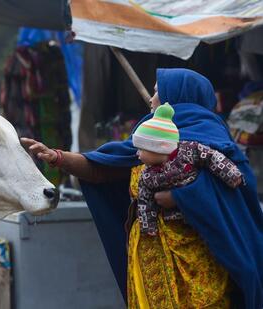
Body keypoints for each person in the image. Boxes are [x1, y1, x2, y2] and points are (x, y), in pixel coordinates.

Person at [21, 68, 263, 308]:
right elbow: (101, 169)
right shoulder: (148, 137)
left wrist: (181, 197)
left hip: (200, 265)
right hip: (150, 259)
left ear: (176, 97)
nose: (151, 98)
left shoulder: (213, 142)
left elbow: (235, 192)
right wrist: (56, 157)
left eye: (157, 92)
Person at [132, 103, 244, 236]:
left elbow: (212, 157)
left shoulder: (189, 150)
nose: (137, 154)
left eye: (141, 149)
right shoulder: (147, 175)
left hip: (202, 216)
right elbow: (145, 202)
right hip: (174, 225)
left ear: (159, 148)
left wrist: (231, 174)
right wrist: (149, 227)